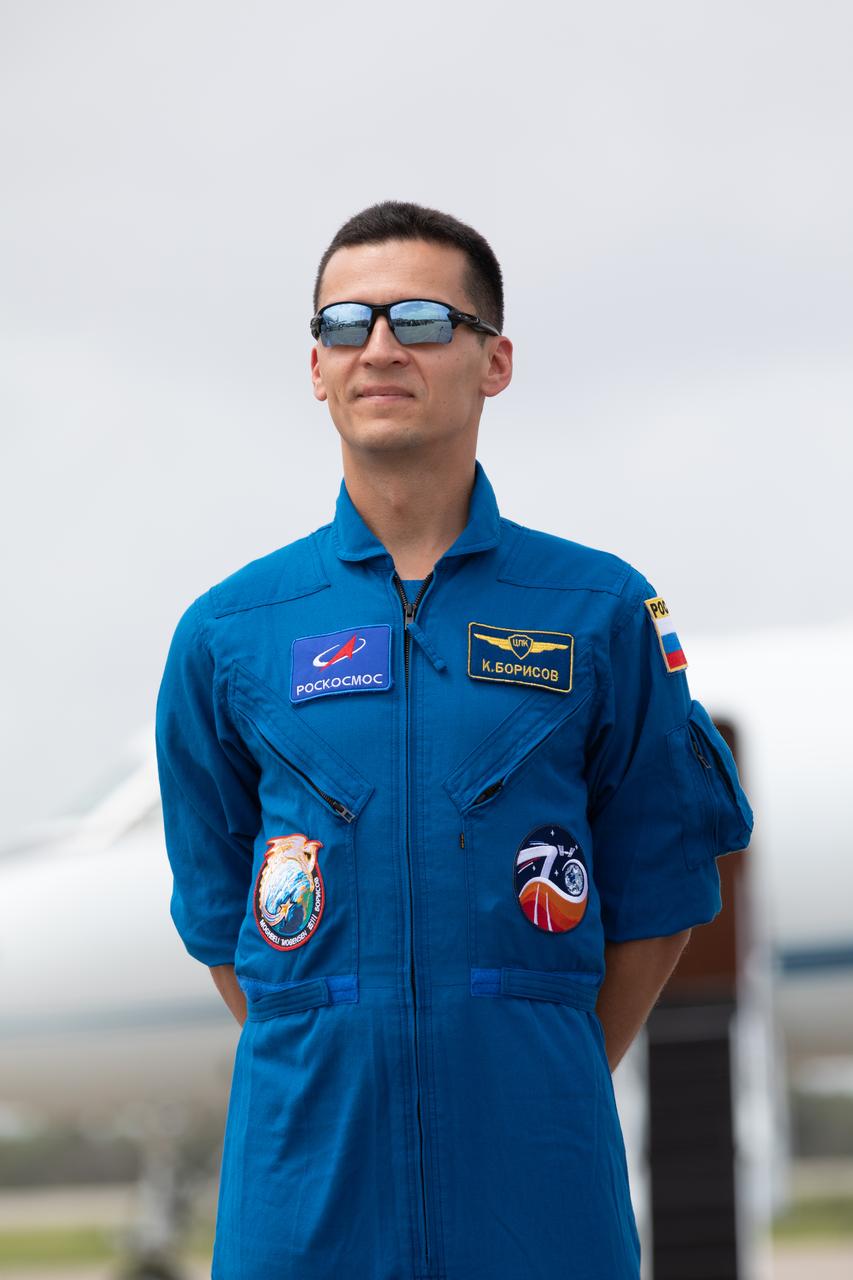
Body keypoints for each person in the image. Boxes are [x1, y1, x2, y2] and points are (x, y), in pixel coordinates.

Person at [155, 200, 754, 1280]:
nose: (379, 346)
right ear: (317, 368)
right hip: (304, 1200)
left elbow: (661, 889)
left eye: (423, 318)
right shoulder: (228, 634)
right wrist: (348, 1047)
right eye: (347, 323)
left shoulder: (599, 610)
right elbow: (217, 916)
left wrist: (533, 1054)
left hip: (539, 1192)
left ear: (495, 360)